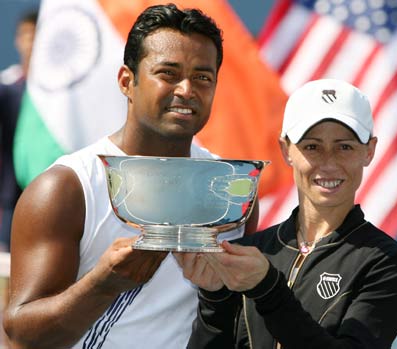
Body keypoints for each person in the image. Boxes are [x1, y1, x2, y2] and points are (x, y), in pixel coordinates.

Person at [3, 4, 258, 349]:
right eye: (168, 73)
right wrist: (103, 284)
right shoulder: (67, 187)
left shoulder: (232, 191)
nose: (186, 89)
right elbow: (21, 334)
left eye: (202, 77)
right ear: (127, 81)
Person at [176, 78, 397, 349]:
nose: (328, 162)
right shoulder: (251, 251)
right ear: (286, 150)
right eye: (312, 146)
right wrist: (213, 298)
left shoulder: (387, 261)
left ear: (369, 151)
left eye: (344, 146)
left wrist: (266, 288)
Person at [0, 10, 38, 252]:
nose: (31, 42)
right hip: (11, 200)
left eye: (36, 35)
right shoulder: (7, 87)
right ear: (17, 39)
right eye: (25, 35)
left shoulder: (64, 97)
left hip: (54, 196)